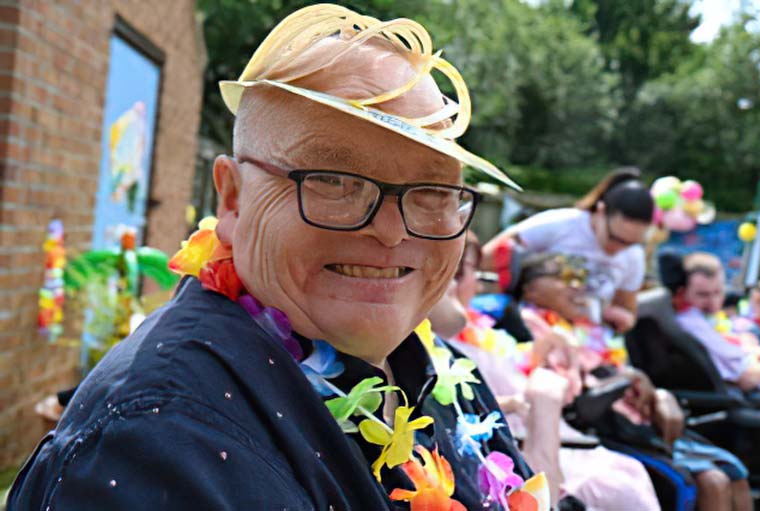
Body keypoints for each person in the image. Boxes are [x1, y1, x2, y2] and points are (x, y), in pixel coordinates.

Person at [9, 5, 537, 510]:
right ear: (233, 199)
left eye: (432, 192)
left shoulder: (437, 365)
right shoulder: (161, 438)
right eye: (335, 180)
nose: (392, 230)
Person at [430, 234, 662, 511]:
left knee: (630, 472)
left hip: (551, 432)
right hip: (516, 444)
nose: (577, 287)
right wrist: (532, 399)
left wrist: (546, 350)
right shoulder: (435, 344)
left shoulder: (488, 332)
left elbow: (521, 364)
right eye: (459, 271)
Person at [519, 252, 752, 511]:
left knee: (736, 474)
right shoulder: (534, 328)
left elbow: (625, 371)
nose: (578, 286)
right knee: (714, 481)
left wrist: (658, 393)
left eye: (580, 278)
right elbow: (570, 389)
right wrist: (627, 381)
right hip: (598, 430)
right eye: (564, 277)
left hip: (637, 421)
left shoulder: (590, 326)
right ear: (532, 291)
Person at [483, 167, 654, 333]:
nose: (619, 249)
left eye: (631, 243)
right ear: (601, 211)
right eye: (615, 238)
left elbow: (626, 310)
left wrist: (622, 319)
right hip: (526, 325)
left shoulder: (634, 256)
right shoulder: (560, 223)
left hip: (585, 339)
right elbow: (486, 258)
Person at [667, 252, 760, 392]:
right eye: (703, 295)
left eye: (718, 292)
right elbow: (747, 378)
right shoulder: (690, 323)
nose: (713, 304)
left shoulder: (708, 320)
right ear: (681, 293)